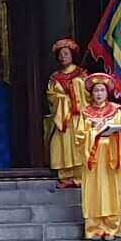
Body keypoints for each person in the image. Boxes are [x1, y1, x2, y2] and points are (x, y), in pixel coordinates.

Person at [77, 72, 121, 240]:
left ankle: (111, 228)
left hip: (111, 155)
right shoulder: (85, 113)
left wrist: (115, 133)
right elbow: (79, 136)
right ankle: (94, 227)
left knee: (111, 190)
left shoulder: (115, 111)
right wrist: (94, 132)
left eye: (102, 90)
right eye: (96, 91)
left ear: (107, 93)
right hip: (93, 154)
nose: (99, 94)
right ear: (91, 94)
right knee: (94, 190)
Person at [47, 39, 86, 186]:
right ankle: (65, 176)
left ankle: (80, 176)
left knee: (78, 143)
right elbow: (51, 96)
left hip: (77, 116)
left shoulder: (81, 74)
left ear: (72, 55)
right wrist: (64, 99)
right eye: (61, 54)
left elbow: (87, 94)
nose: (63, 57)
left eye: (66, 54)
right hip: (62, 117)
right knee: (61, 145)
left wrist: (76, 88)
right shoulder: (55, 77)